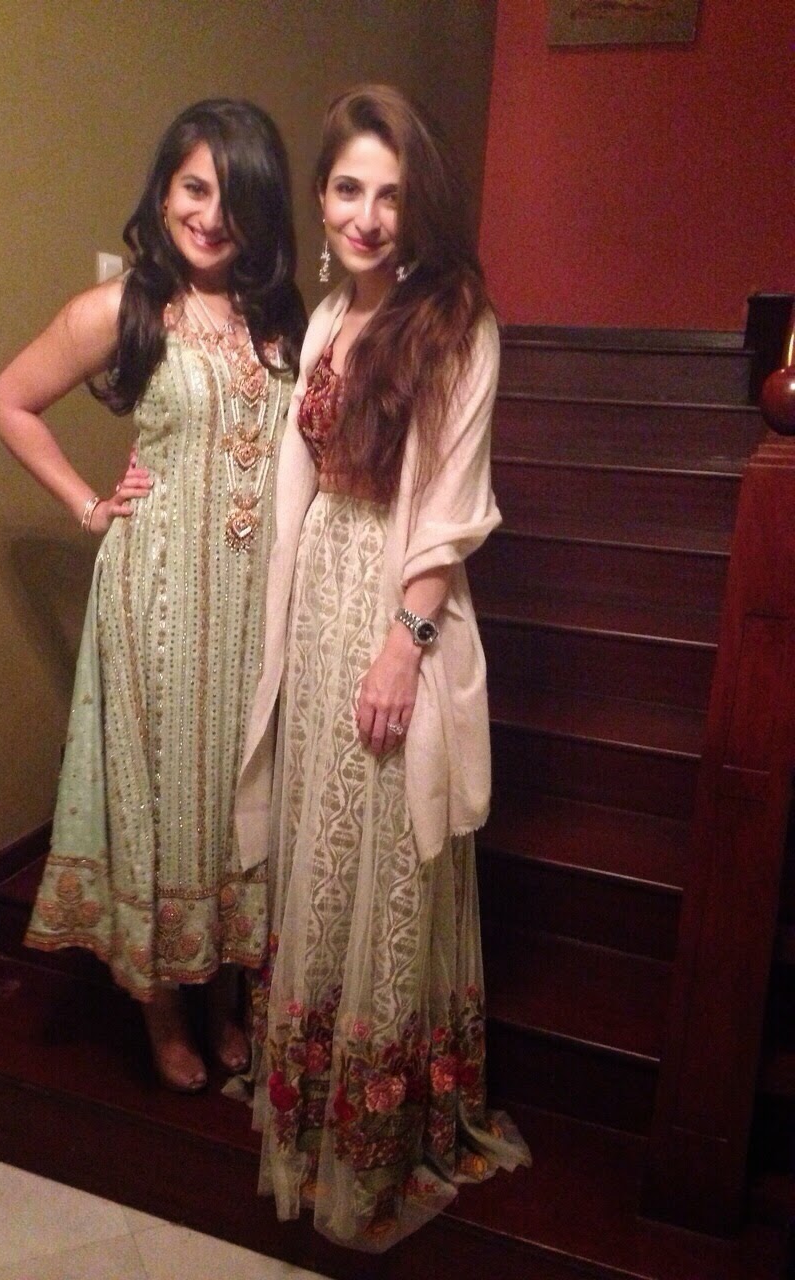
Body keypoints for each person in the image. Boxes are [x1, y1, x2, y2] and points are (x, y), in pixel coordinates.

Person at [233, 85, 531, 1250]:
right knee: (320, 842)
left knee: (382, 859)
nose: (366, 215)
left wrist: (403, 647)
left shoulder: (458, 322)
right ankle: (306, 1103)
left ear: (420, 206)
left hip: (393, 608)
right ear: (320, 198)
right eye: (348, 188)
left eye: (390, 194)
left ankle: (377, 1133)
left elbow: (451, 507)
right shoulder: (324, 319)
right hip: (315, 606)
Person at [0, 99, 306, 1093]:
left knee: (237, 794)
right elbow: (8, 399)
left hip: (255, 601)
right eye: (193, 188)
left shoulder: (281, 316)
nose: (210, 215)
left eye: (232, 197)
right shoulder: (124, 308)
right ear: (163, 192)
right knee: (165, 799)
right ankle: (164, 1007)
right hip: (156, 598)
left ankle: (225, 992)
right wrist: (88, 504)